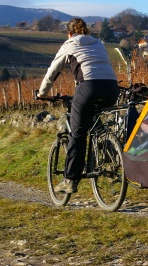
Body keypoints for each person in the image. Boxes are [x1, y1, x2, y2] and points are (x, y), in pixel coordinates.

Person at [37, 18, 120, 194]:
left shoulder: (70, 44)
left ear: (69, 33)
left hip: (88, 87)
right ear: (87, 31)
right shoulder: (98, 43)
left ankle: (70, 180)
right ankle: (108, 158)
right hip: (112, 88)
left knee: (78, 133)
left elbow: (53, 71)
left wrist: (42, 93)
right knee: (96, 127)